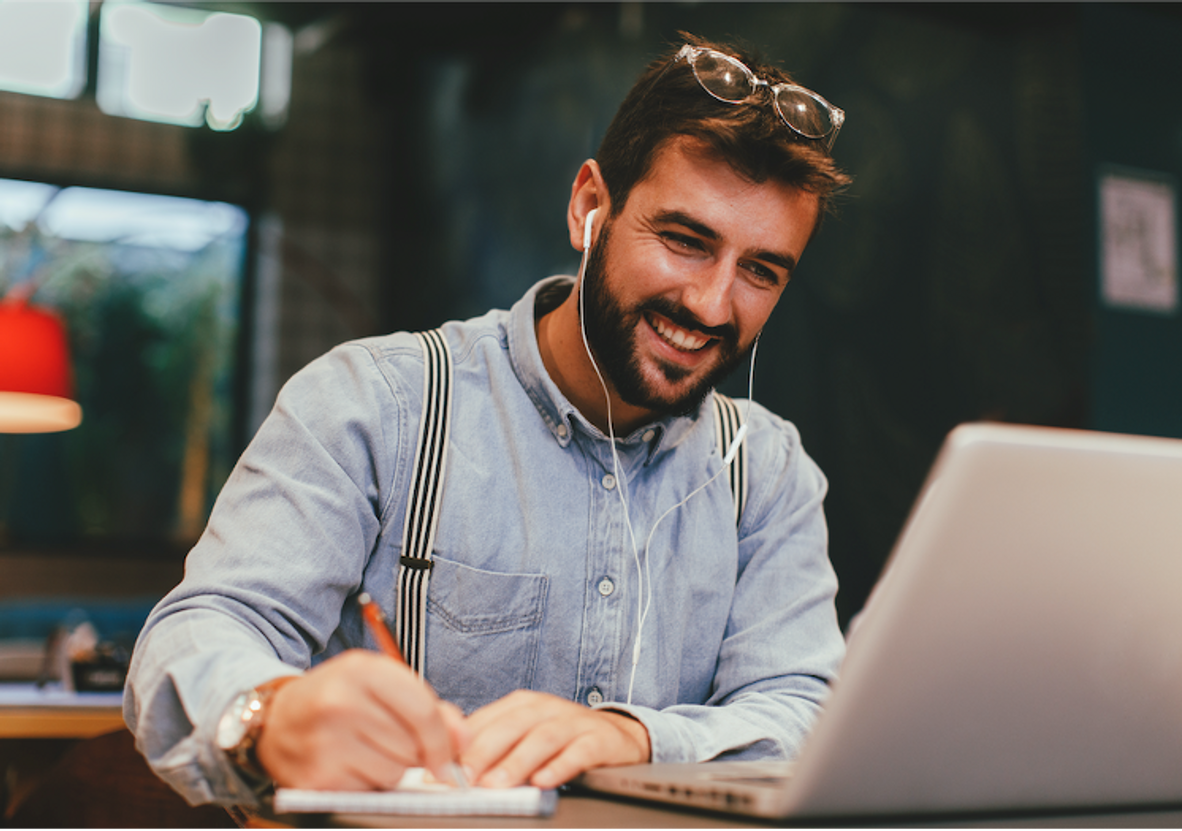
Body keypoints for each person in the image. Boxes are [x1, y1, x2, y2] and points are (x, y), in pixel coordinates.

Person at [124, 34, 851, 807]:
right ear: (589, 207)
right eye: (684, 240)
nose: (711, 304)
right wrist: (268, 714)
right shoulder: (373, 404)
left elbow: (807, 712)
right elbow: (197, 631)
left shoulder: (767, 472)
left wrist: (636, 737)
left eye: (760, 271)